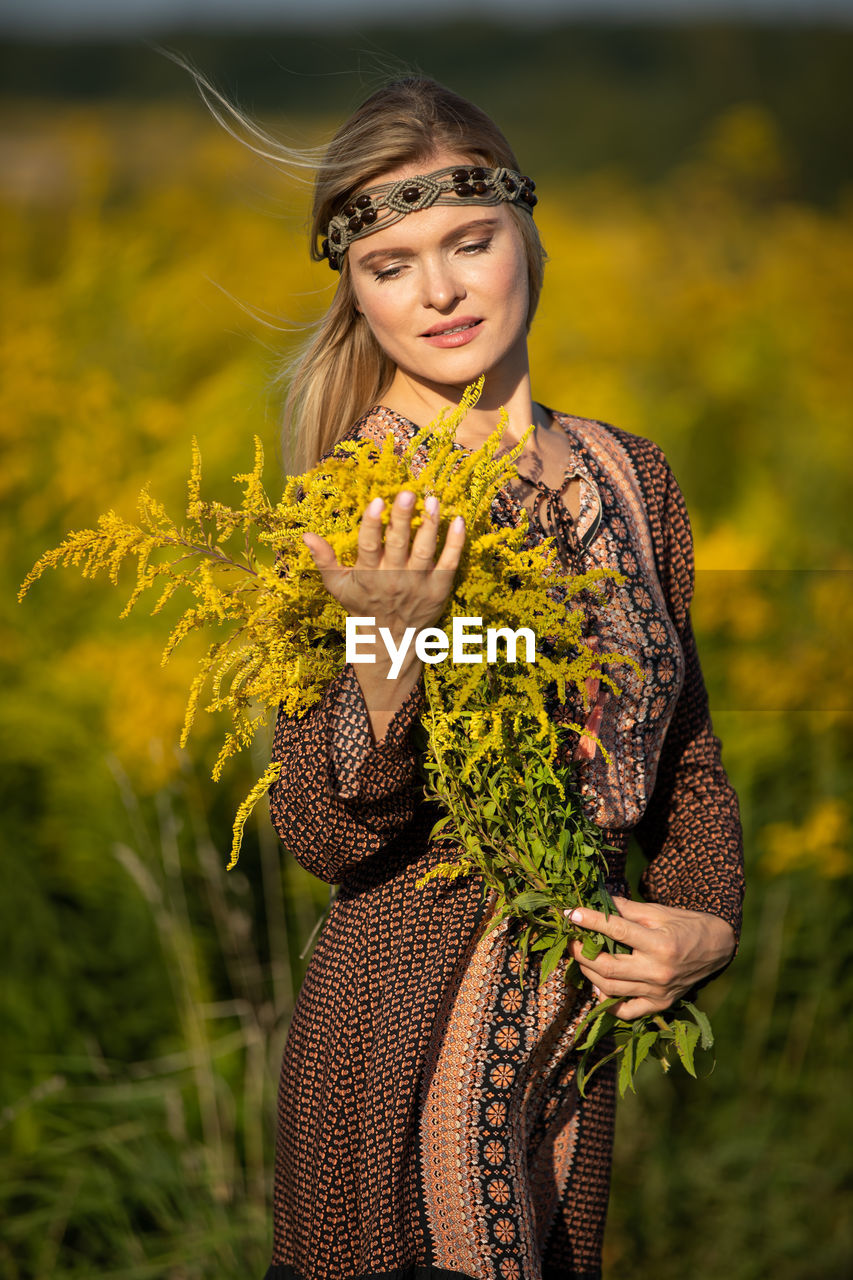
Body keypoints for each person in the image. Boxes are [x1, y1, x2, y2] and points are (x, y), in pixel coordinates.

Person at [257, 76, 744, 1280]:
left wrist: (708, 918)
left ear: (523, 230)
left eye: (467, 243)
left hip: (571, 1054)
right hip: (397, 1052)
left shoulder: (636, 479)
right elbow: (317, 830)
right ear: (356, 291)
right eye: (390, 263)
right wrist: (394, 645)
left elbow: (682, 750)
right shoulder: (351, 504)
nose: (437, 291)